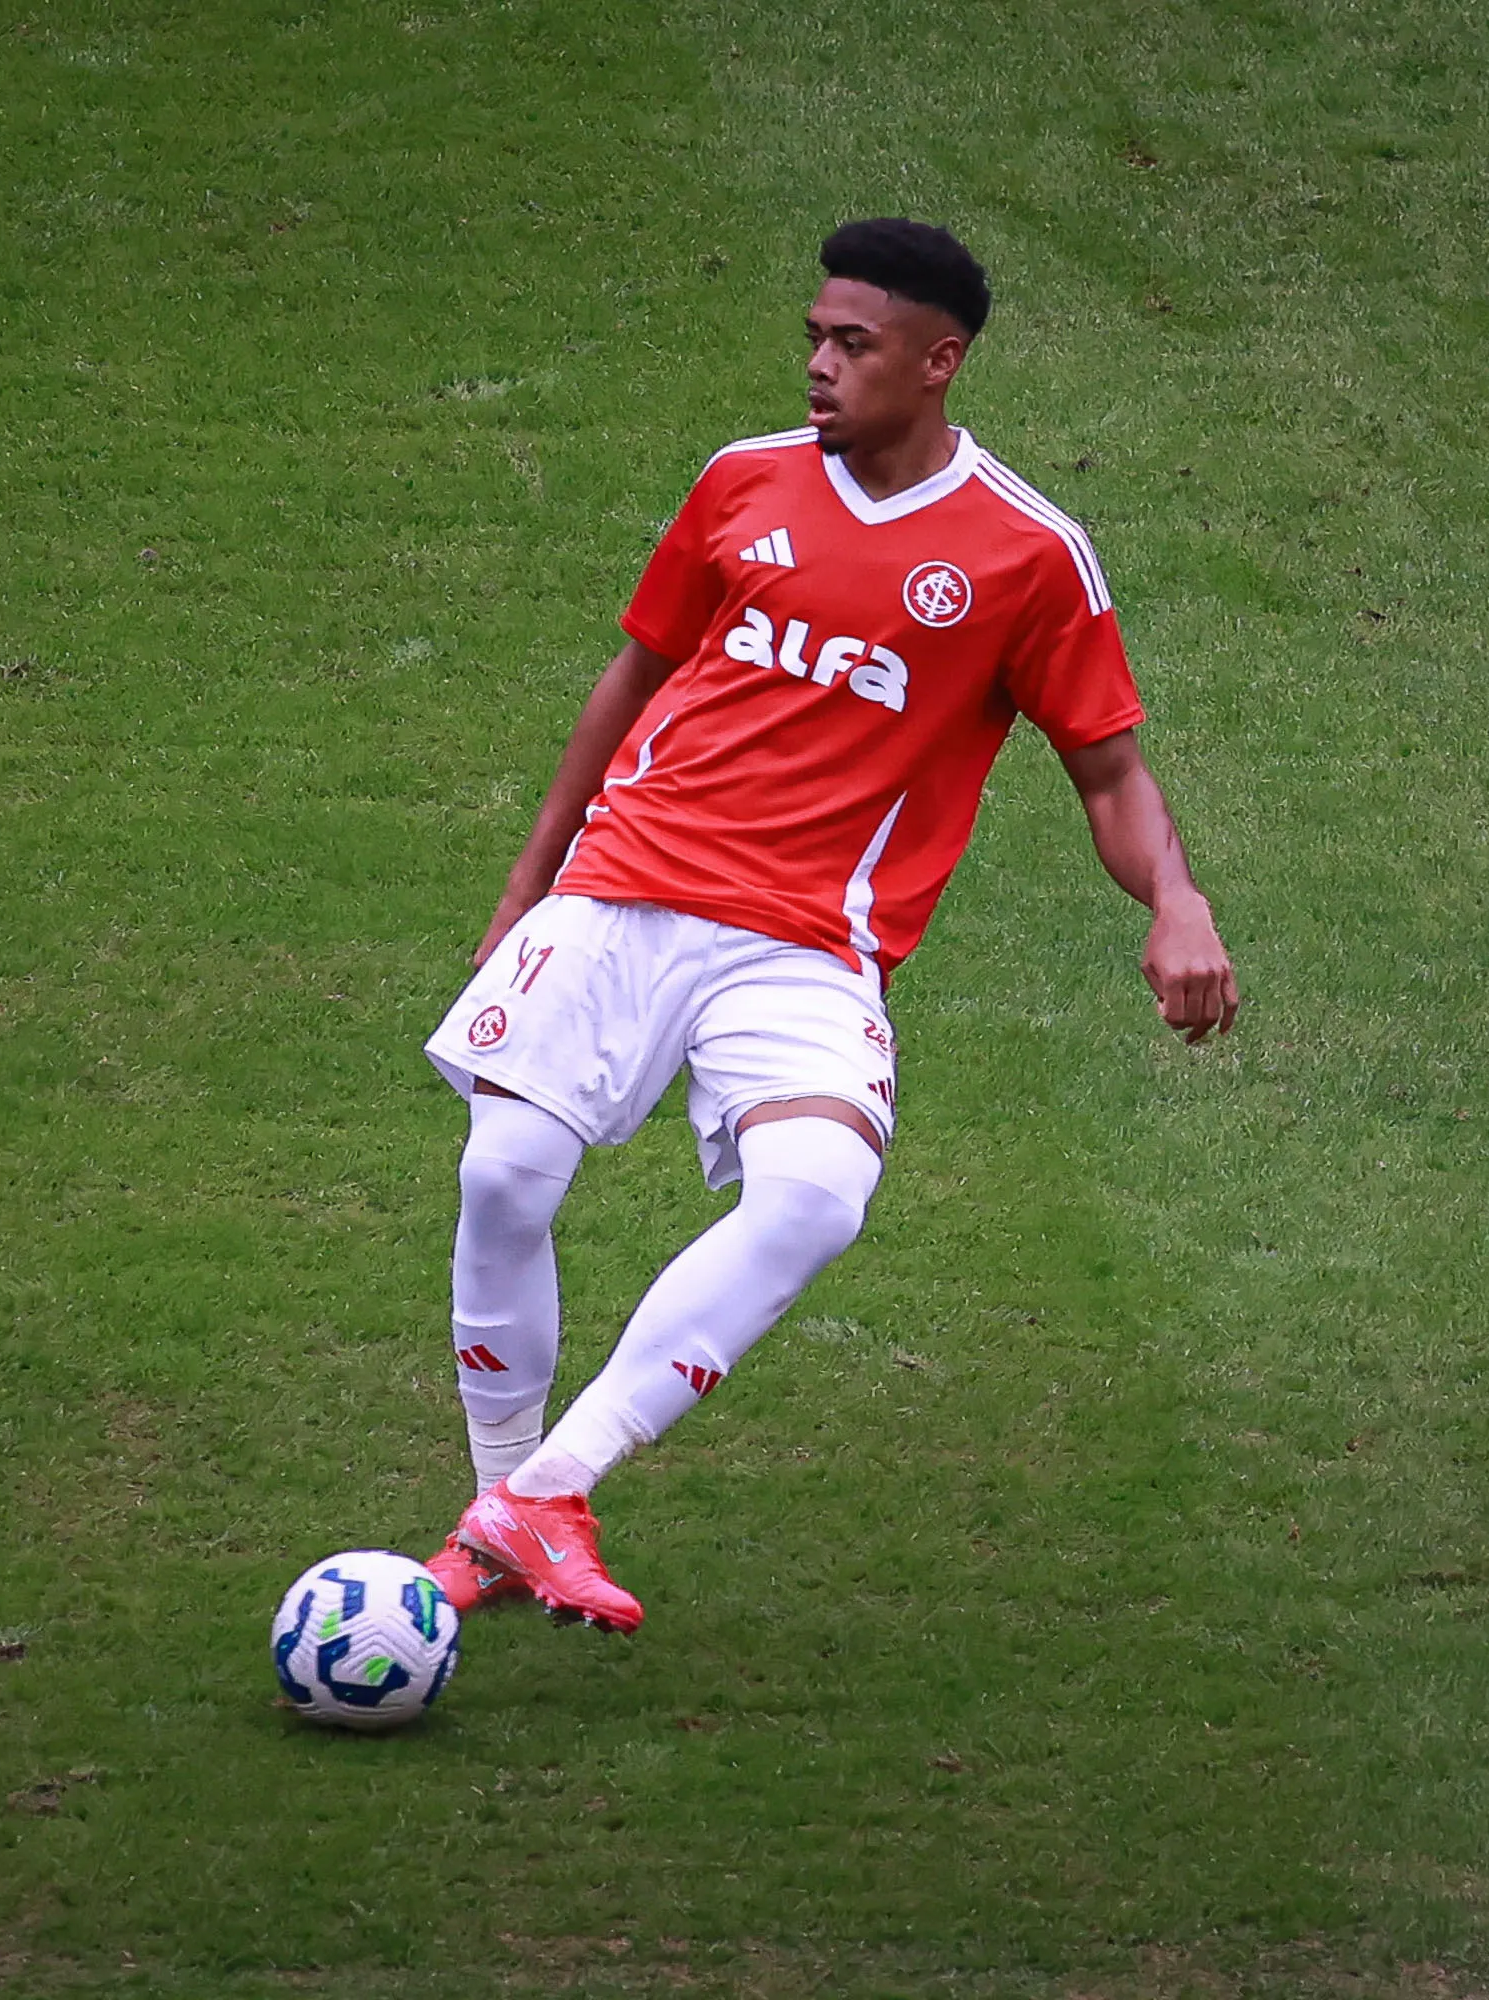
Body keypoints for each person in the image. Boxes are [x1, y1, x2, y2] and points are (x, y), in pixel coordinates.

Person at [416, 219, 1239, 1633]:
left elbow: (1110, 769)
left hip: (807, 947)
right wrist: (527, 883)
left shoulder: (1028, 554)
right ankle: (510, 1512)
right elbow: (631, 681)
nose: (818, 366)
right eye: (813, 336)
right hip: (626, 889)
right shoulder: (743, 483)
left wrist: (1178, 900)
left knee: (812, 1197)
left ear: (940, 361)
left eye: (852, 346)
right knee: (503, 1179)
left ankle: (547, 1490)